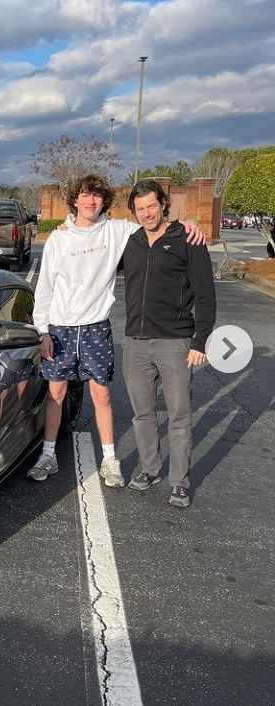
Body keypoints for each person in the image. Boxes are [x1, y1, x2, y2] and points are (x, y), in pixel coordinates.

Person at [27, 175, 205, 487]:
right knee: (55, 393)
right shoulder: (59, 238)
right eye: (85, 196)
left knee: (102, 394)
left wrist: (188, 223)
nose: (90, 201)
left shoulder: (117, 231)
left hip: (96, 328)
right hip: (60, 328)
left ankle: (110, 460)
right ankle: (48, 455)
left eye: (96, 197)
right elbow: (44, 288)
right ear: (75, 200)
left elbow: (157, 223)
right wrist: (42, 331)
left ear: (104, 202)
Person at [122, 180, 216, 507]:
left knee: (179, 415)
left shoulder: (187, 239)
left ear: (163, 204)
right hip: (135, 342)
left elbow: (205, 293)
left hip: (175, 341)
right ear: (133, 211)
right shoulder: (131, 241)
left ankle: (179, 481)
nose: (147, 213)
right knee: (142, 414)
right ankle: (150, 469)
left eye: (152, 205)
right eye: (140, 208)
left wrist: (200, 339)